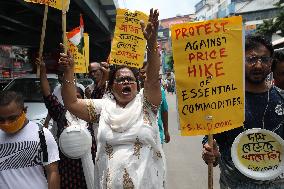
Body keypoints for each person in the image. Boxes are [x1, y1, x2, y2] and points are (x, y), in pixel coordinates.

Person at [59, 9, 166, 188]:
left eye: (130, 79)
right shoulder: (102, 109)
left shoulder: (146, 104)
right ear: (111, 85)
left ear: (137, 85)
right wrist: (69, 70)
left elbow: (153, 79)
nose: (126, 81)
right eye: (120, 79)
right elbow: (71, 103)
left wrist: (152, 42)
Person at [202, 35, 284, 188]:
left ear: (271, 63)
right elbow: (211, 144)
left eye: (264, 59)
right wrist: (211, 153)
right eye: (251, 59)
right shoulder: (224, 102)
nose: (258, 65)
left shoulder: (281, 98)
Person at [37, 59, 97, 189]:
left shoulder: (92, 115)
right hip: (68, 172)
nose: (75, 101)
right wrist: (42, 72)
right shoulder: (61, 113)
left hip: (92, 169)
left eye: (78, 97)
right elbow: (48, 95)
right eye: (72, 97)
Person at [0, 90, 60, 189]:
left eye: (12, 118)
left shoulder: (42, 134)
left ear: (25, 111)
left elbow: (52, 172)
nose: (6, 123)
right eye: (1, 119)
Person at [139, 62, 170, 144]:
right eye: (142, 72)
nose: (145, 75)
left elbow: (164, 111)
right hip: (137, 139)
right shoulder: (133, 92)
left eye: (148, 72)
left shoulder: (160, 91)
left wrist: (166, 131)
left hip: (156, 136)